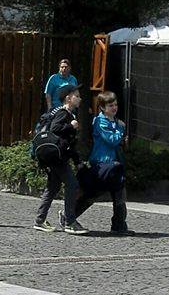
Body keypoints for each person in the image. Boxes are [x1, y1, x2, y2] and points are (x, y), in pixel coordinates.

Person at [75, 91, 133, 236]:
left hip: (115, 164)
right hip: (102, 163)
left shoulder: (115, 122)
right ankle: (69, 215)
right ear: (102, 107)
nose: (114, 108)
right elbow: (112, 140)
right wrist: (120, 130)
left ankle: (119, 225)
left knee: (120, 194)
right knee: (93, 193)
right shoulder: (100, 122)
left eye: (115, 105)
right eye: (110, 105)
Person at [33, 85, 85, 233]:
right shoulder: (63, 113)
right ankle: (70, 221)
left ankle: (40, 220)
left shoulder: (66, 113)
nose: (80, 99)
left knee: (52, 188)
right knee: (72, 185)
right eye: (77, 96)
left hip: (56, 156)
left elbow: (69, 142)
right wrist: (70, 126)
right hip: (57, 157)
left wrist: (77, 160)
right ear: (68, 98)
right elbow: (55, 129)